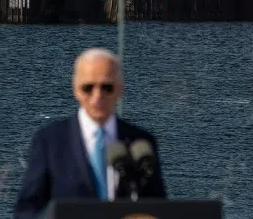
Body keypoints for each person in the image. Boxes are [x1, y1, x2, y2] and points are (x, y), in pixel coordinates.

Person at [13, 48, 167, 219]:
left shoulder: (142, 142)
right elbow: (27, 210)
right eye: (88, 88)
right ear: (75, 90)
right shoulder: (49, 141)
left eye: (106, 87)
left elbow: (157, 208)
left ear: (120, 88)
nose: (97, 96)